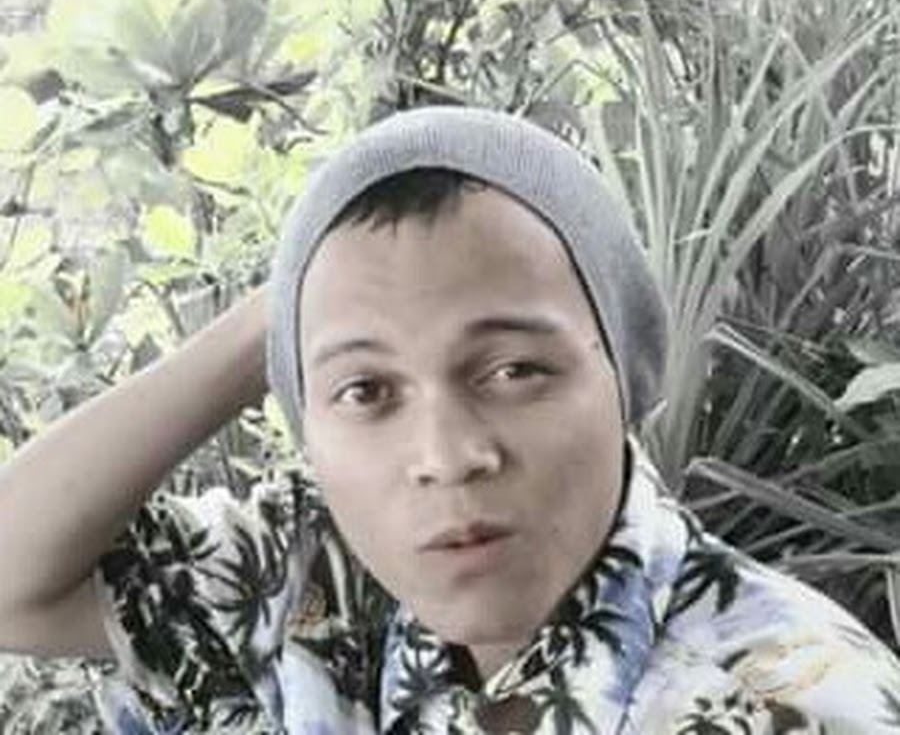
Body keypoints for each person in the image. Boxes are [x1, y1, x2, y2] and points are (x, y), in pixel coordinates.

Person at [0, 107, 898, 734]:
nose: (447, 456)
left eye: (514, 371)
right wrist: (288, 314)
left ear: (623, 374)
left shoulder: (797, 705)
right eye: (368, 392)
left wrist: (348, 338)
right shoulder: (312, 582)